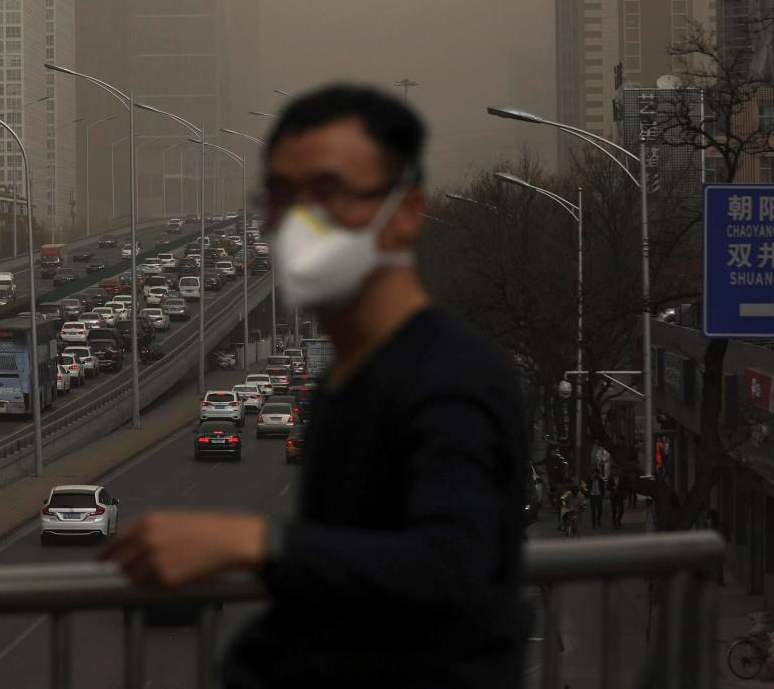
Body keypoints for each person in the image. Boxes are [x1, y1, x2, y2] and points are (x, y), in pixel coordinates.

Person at [99, 85, 531, 686]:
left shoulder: (451, 378)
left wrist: (253, 542)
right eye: (282, 197)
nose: (302, 222)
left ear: (405, 211)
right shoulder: (348, 379)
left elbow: (455, 568)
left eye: (329, 194)